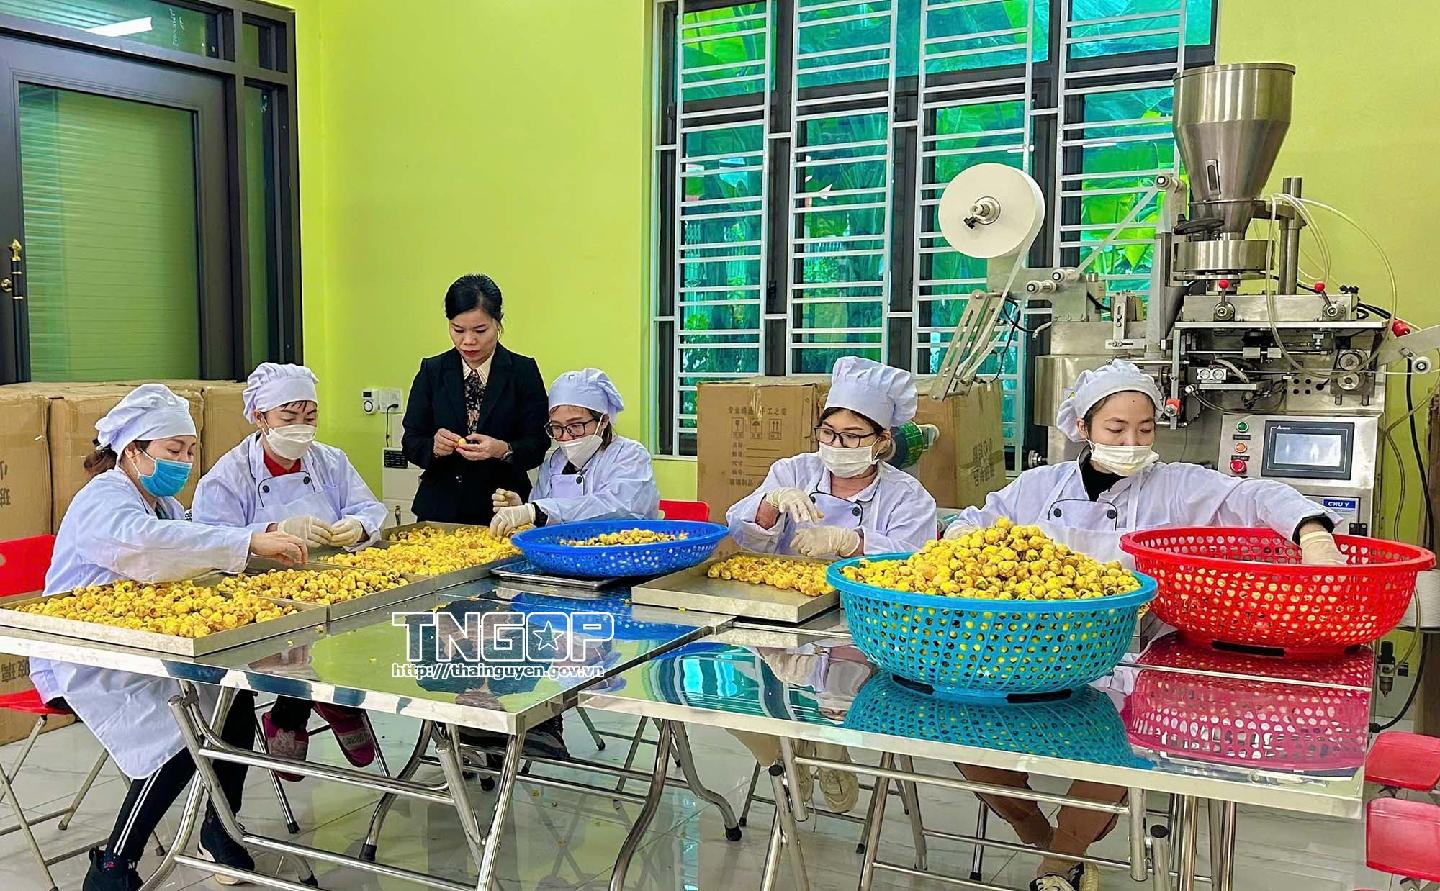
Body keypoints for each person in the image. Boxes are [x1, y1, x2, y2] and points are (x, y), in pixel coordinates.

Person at [942, 359, 1343, 891]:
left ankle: (1058, 865)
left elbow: (1253, 496)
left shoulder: (1174, 487)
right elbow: (973, 524)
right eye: (1116, 429)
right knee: (965, 739)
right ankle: (1037, 831)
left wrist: (1312, 532)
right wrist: (957, 546)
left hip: (1131, 657)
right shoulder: (1039, 487)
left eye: (1145, 429)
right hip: (1030, 653)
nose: (1132, 442)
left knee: (1121, 750)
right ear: (1083, 427)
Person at [25, 385, 309, 891]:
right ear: (132, 451)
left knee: (235, 701)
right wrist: (245, 541)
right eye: (173, 450)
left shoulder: (161, 502)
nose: (184, 462)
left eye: (190, 451)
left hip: (148, 642)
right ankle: (115, 863)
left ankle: (220, 830)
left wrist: (262, 540)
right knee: (181, 736)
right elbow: (150, 549)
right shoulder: (105, 500)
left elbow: (186, 545)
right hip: (90, 653)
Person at [725, 356, 938, 813]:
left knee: (842, 691)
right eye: (828, 433)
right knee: (733, 696)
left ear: (883, 440)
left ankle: (831, 748)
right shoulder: (793, 472)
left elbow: (918, 562)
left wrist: (852, 541)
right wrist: (771, 504)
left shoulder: (907, 495)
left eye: (854, 436)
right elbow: (745, 536)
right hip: (783, 610)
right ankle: (783, 759)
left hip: (864, 624)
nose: (838, 445)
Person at [194, 362, 388, 776]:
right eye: (288, 417)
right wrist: (272, 532)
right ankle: (293, 714)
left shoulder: (330, 461)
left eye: (310, 417)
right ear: (260, 417)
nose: (301, 427)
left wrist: (359, 525)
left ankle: (334, 703)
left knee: (361, 637)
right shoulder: (228, 476)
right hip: (259, 593)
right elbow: (210, 541)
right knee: (294, 645)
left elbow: (369, 506)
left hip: (332, 583)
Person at [402, 273, 548, 525]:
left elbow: (538, 443)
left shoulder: (522, 371)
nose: (468, 341)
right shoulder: (433, 371)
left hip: (503, 507)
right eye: (458, 330)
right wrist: (434, 447)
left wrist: (502, 449)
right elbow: (411, 441)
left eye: (480, 330)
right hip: (439, 509)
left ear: (498, 323)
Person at [489, 368, 660, 536]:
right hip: (562, 552)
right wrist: (523, 511)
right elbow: (542, 516)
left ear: (603, 421)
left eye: (576, 425)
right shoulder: (554, 463)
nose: (565, 436)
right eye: (557, 427)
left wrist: (537, 511)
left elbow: (619, 508)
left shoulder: (630, 455)